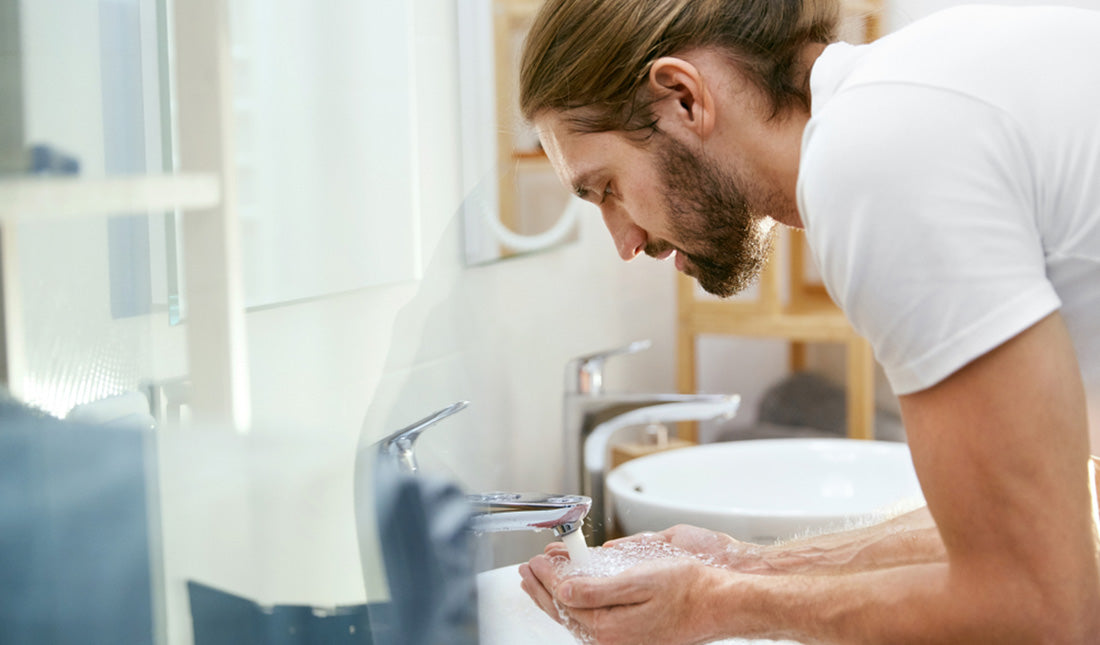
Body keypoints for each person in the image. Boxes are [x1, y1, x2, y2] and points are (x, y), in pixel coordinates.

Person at [514, 1, 1100, 642]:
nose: (624, 242)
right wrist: (749, 566)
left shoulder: (874, 160)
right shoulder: (904, 98)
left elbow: (1037, 608)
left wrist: (718, 604)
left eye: (607, 189)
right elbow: (1063, 512)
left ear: (683, 97)